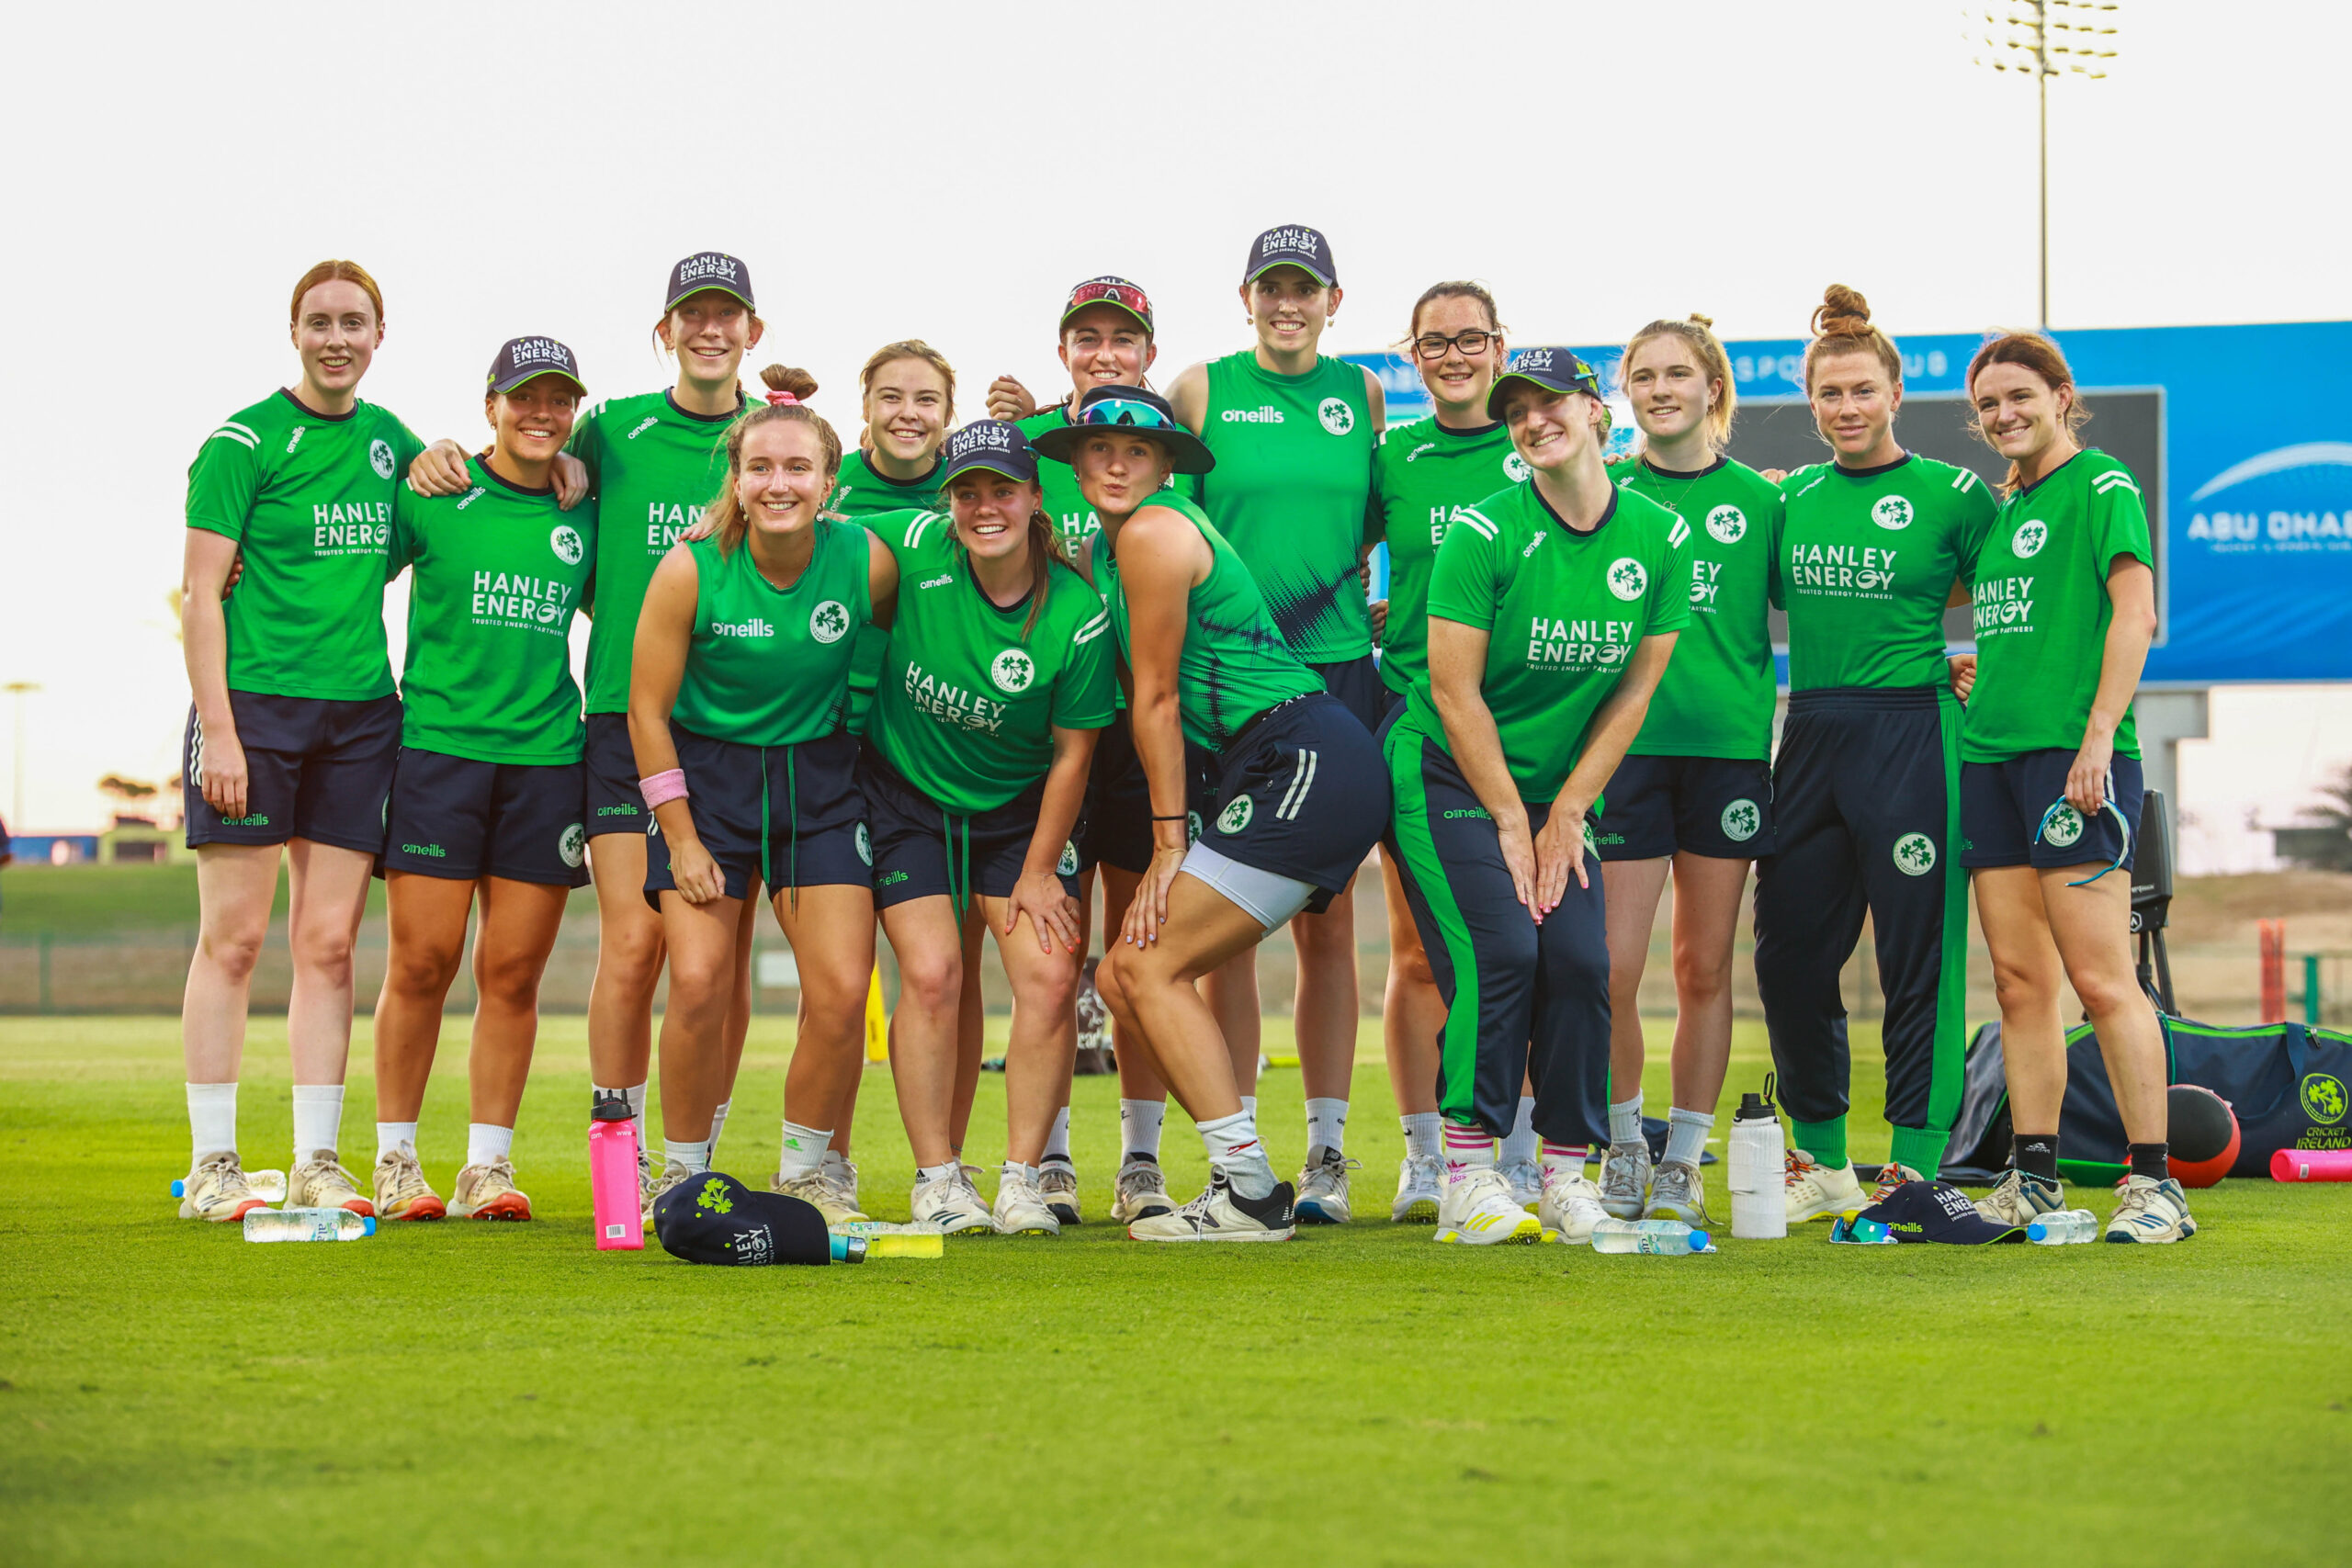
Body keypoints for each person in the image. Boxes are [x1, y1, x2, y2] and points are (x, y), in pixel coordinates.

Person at [410, 252, 763, 1199]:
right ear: (665, 331)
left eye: (728, 315)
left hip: (733, 727)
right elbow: (530, 467)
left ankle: (696, 1156)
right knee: (636, 944)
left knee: (713, 960)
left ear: (752, 334)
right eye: (692, 314)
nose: (710, 329)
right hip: (617, 716)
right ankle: (621, 1160)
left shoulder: (768, 440)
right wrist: (436, 452)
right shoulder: (611, 431)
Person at [1038, 385, 1389, 1242]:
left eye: (1139, 450)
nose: (1116, 461)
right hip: (1281, 763)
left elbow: (1155, 702)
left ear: (1166, 467)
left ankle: (1253, 1192)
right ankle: (1248, 1183)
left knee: (1144, 968)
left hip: (1303, 759)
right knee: (1127, 972)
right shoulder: (1109, 548)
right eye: (1098, 447)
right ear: (1076, 462)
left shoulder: (1157, 532)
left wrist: (1167, 847)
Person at [1384, 349, 1688, 1246]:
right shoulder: (1482, 532)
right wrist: (1513, 817)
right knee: (1503, 949)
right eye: (1516, 410)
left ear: (1596, 413)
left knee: (1583, 967)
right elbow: (1453, 691)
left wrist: (1564, 813)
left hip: (1554, 793)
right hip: (1445, 773)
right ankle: (1467, 1175)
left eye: (1550, 403)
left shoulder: (1658, 540)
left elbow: (1633, 692)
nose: (1531, 421)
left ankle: (1561, 1176)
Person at [175, 259, 424, 1222]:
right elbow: (201, 592)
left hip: (361, 717)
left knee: (327, 946)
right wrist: (223, 732)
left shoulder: (388, 442)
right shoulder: (244, 442)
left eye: (353, 323)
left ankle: (319, 1156)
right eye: (319, 321)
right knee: (233, 941)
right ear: (294, 333)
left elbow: (453, 502)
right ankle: (214, 1163)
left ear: (377, 334)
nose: (336, 338)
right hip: (255, 712)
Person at [1757, 285, 1996, 1221]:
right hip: (1809, 730)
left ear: (1894, 393)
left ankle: (1915, 1162)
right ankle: (1820, 1157)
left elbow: (2012, 594)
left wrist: (1983, 661)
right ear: (1811, 403)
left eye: (1862, 391)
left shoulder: (1953, 495)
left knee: (1916, 955)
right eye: (1829, 395)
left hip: (1912, 733)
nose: (1846, 408)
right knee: (1788, 954)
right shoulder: (1788, 502)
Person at [628, 387, 892, 1224]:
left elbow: (901, 623)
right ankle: (680, 1174)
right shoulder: (689, 567)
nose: (780, 484)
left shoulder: (866, 559)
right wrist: (682, 838)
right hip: (707, 786)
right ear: (736, 480)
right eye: (761, 468)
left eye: (798, 468)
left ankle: (808, 1174)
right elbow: (644, 712)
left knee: (844, 990)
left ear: (829, 480)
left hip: (817, 783)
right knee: (700, 980)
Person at [1166, 226, 1384, 1223]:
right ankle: (1237, 1148)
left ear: (1333, 300)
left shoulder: (1362, 396)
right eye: (1270, 288)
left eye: (1304, 289)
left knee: (1329, 928)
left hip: (1335, 673)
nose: (1286, 304)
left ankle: (1330, 1153)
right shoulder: (1202, 389)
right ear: (1245, 297)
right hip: (1235, 681)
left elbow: (1372, 522)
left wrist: (1367, 604)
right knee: (1231, 932)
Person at [1959, 332, 2188, 1242]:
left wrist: (2096, 738)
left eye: (2019, 396)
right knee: (2019, 983)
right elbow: (2028, 626)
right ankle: (2035, 1177)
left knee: (2102, 978)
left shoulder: (2102, 486)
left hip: (2076, 765)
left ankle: (2152, 1185)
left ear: (2060, 396)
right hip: (1991, 760)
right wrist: (1978, 670)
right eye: (1987, 405)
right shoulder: (2002, 510)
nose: (2003, 415)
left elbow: (2134, 612)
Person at [863, 421, 1114, 1234]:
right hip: (910, 802)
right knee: (932, 974)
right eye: (967, 491)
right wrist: (712, 520)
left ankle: (1020, 1178)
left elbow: (1075, 756)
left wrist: (1041, 870)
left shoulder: (1077, 613)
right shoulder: (914, 543)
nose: (983, 507)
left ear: (1037, 499)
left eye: (1002, 489)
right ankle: (937, 1178)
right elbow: (809, 531)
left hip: (1019, 817)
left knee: (1046, 979)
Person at [369, 336, 598, 1221]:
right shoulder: (435, 496)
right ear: (491, 405)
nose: (541, 415)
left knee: (511, 971)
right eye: (524, 399)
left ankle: (486, 1168)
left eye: (559, 401)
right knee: (422, 962)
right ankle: (396, 1159)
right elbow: (347, 572)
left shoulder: (584, 510)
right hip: (439, 755)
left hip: (546, 762)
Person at [990, 275, 1181, 1223]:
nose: (1104, 351)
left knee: (1137, 944)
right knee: (1059, 958)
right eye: (1087, 338)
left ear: (1148, 352)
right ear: (1062, 348)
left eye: (1122, 338)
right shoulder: (1029, 450)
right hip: (1053, 737)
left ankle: (1140, 1159)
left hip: (1145, 738)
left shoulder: (1158, 452)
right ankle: (1052, 1154)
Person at [1591, 316, 1782, 1226]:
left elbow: (1841, 601)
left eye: (1679, 374)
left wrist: (1933, 662)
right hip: (1622, 756)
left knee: (1704, 968)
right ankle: (1625, 1144)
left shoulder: (1764, 500)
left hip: (1727, 757)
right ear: (1625, 392)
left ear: (1713, 388)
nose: (1662, 389)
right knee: (1611, 971)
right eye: (1644, 376)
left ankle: (1684, 1159)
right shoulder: (1602, 493)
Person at [1363, 281, 1522, 1222]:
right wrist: (1371, 613)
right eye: (1435, 343)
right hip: (1419, 720)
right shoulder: (1393, 458)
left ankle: (1527, 1148)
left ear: (1500, 348)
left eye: (1470, 339)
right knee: (1423, 955)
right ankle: (1426, 1156)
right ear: (1413, 356)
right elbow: (1333, 549)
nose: (1454, 355)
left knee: (1525, 945)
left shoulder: (1538, 444)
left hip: (1526, 729)